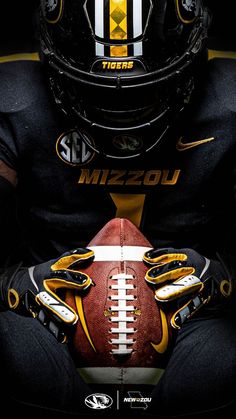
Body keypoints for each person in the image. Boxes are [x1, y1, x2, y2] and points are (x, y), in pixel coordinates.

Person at [0, 0, 236, 417]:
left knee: (217, 365)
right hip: (45, 321)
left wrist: (220, 281)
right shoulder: (11, 96)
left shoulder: (229, 100)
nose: (123, 112)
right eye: (93, 89)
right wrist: (15, 287)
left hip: (198, 321)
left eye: (148, 90)